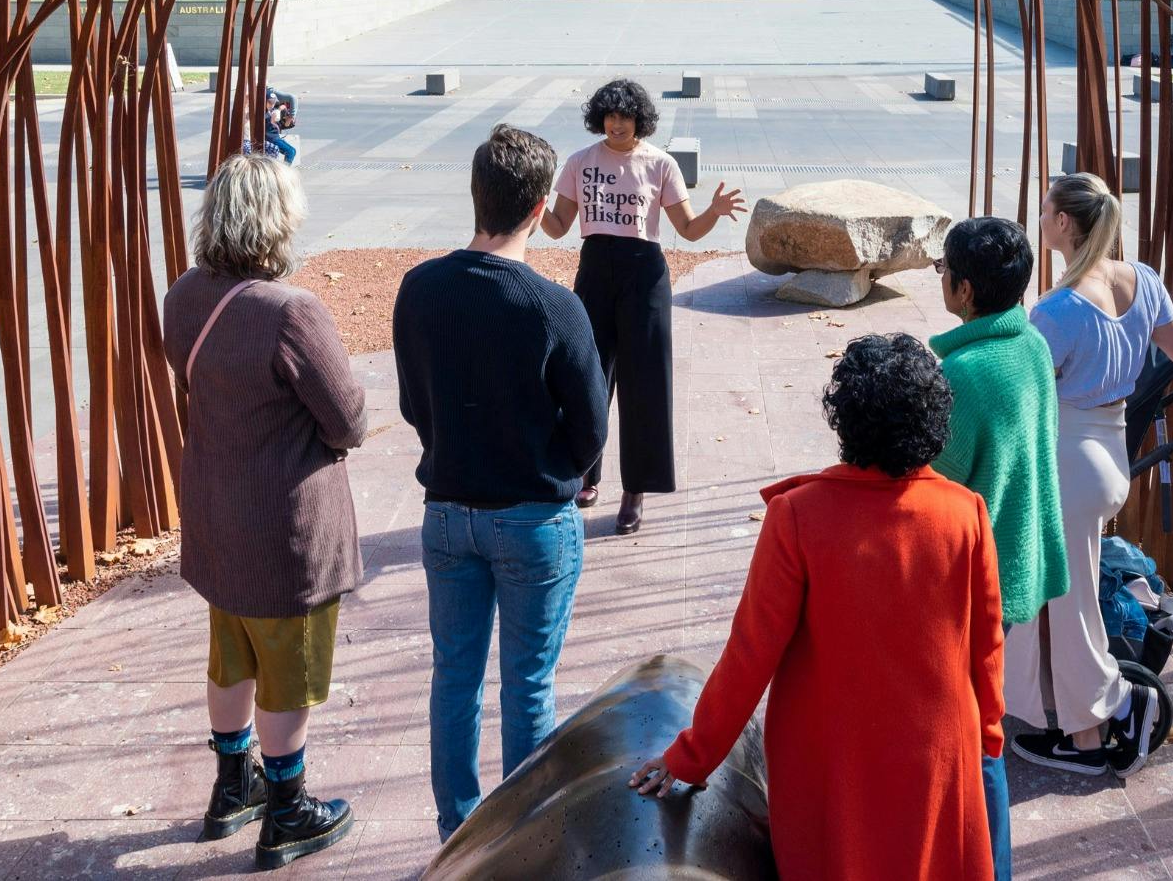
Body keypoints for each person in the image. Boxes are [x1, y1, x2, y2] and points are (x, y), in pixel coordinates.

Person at [631, 334, 1005, 880]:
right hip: (937, 756)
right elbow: (987, 644)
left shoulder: (799, 517)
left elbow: (749, 657)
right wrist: (988, 735)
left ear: (844, 420)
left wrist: (691, 755)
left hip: (832, 763)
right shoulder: (965, 512)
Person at [394, 125, 611, 842]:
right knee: (526, 685)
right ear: (542, 204)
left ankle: (457, 830)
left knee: (453, 678)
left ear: (475, 193)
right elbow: (589, 429)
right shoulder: (553, 306)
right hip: (531, 515)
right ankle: (523, 837)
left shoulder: (419, 288)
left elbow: (412, 402)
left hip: (447, 510)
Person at [1008, 173, 1173, 777]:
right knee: (1058, 591)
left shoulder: (1058, 309)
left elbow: (1024, 392)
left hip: (1068, 459)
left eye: (1046, 211)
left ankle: (1092, 732)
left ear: (1064, 223)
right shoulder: (1141, 280)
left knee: (1070, 601)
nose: (1041, 219)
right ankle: (1047, 702)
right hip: (1110, 454)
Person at [163, 153, 366, 869]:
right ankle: (287, 810)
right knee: (291, 669)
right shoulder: (290, 310)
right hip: (285, 526)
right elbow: (346, 418)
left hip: (217, 511)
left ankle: (231, 789)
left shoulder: (185, 294)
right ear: (277, 222)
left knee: (232, 656)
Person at [930, 217, 1070, 881]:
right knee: (977, 726)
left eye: (941, 273)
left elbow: (928, 485)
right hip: (1014, 561)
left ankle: (990, 866)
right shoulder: (1030, 344)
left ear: (961, 288)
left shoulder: (963, 373)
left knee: (976, 738)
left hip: (966, 582)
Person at [542, 79, 744, 535]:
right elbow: (557, 227)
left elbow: (688, 230)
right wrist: (531, 206)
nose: (617, 123)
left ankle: (636, 489)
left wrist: (713, 210)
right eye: (610, 116)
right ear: (600, 118)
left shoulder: (660, 164)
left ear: (640, 120)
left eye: (625, 116)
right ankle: (584, 474)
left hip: (645, 276)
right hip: (594, 270)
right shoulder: (580, 162)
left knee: (646, 384)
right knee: (587, 376)